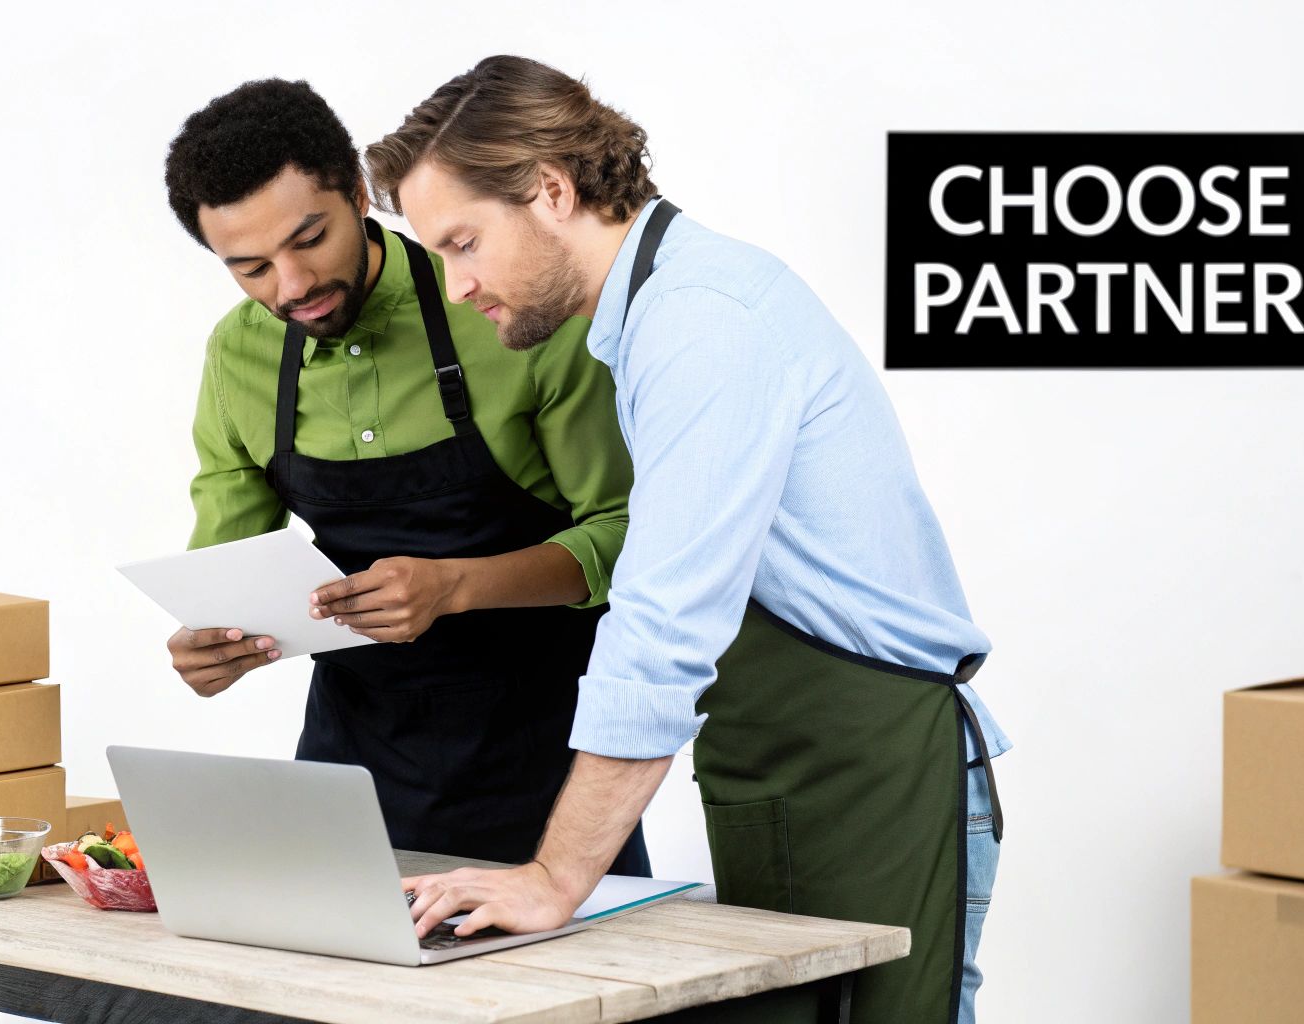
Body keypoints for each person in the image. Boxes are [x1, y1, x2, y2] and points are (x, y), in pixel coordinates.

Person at [366, 56, 1010, 1023]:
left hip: (875, 774)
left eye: (464, 244)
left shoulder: (701, 323)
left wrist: (554, 877)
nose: (456, 286)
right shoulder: (654, 317)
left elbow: (663, 626)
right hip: (793, 768)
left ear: (551, 191)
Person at [160, 78, 649, 874]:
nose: (292, 286)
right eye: (250, 268)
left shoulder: (508, 309)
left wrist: (454, 585)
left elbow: (627, 535)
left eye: (310, 239)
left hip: (544, 770)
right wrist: (208, 644)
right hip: (351, 773)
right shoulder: (238, 353)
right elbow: (226, 570)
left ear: (359, 194)